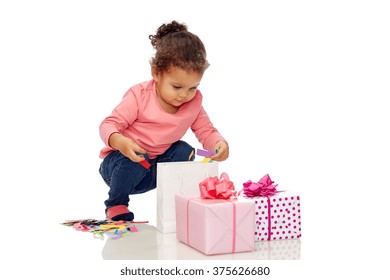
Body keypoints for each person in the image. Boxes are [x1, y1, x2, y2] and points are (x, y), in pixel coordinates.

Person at [98, 20, 229, 221]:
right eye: (176, 87)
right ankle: (116, 203)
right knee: (134, 160)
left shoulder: (193, 103)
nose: (185, 95)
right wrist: (121, 142)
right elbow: (108, 125)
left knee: (184, 150)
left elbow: (206, 130)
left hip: (153, 171)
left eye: (192, 87)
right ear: (156, 74)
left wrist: (218, 143)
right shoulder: (140, 96)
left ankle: (173, 202)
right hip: (120, 167)